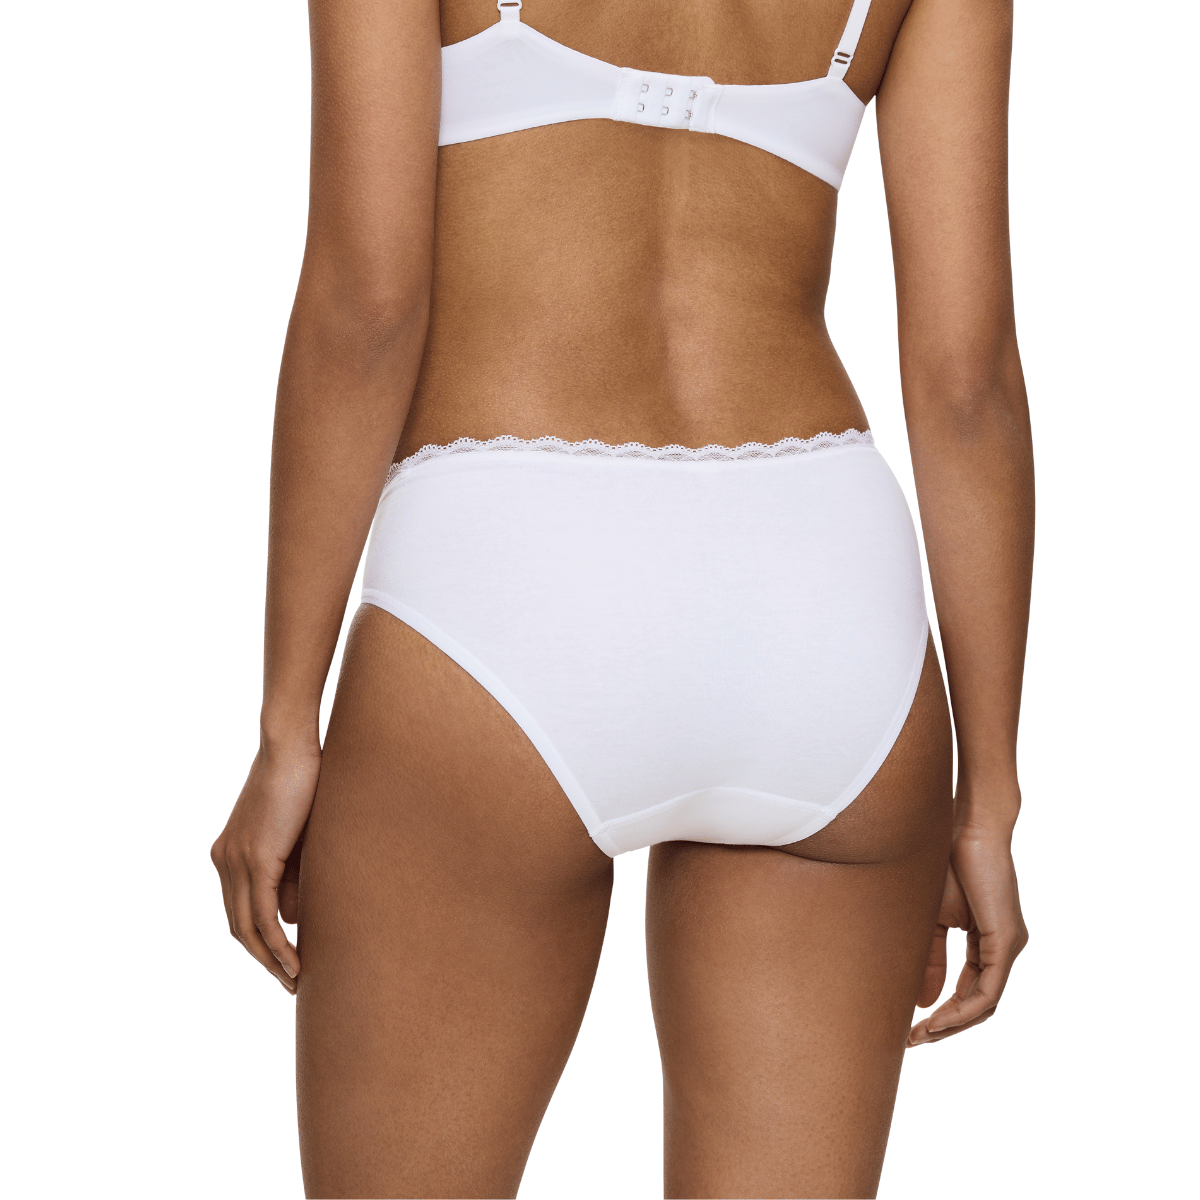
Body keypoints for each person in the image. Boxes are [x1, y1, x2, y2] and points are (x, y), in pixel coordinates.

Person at [211, 0, 1032, 1194]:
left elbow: (367, 306)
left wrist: (290, 722)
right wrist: (987, 793)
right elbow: (967, 380)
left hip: (506, 583)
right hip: (823, 601)